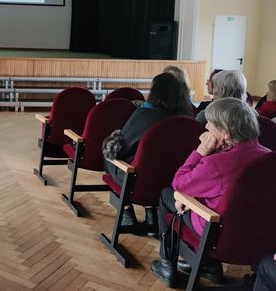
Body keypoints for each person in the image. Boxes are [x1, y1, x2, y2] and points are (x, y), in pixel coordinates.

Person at [150, 98, 271, 287]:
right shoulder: (268, 157)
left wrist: (200, 151)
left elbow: (179, 183)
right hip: (260, 235)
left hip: (219, 235)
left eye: (211, 123)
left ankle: (168, 265)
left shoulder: (216, 164)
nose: (206, 126)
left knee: (167, 194)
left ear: (226, 132)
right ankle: (209, 267)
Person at [102, 72, 192, 227]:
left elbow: (120, 148)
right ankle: (152, 213)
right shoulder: (189, 119)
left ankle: (126, 211)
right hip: (172, 183)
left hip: (138, 184)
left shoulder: (143, 115)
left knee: (110, 157)